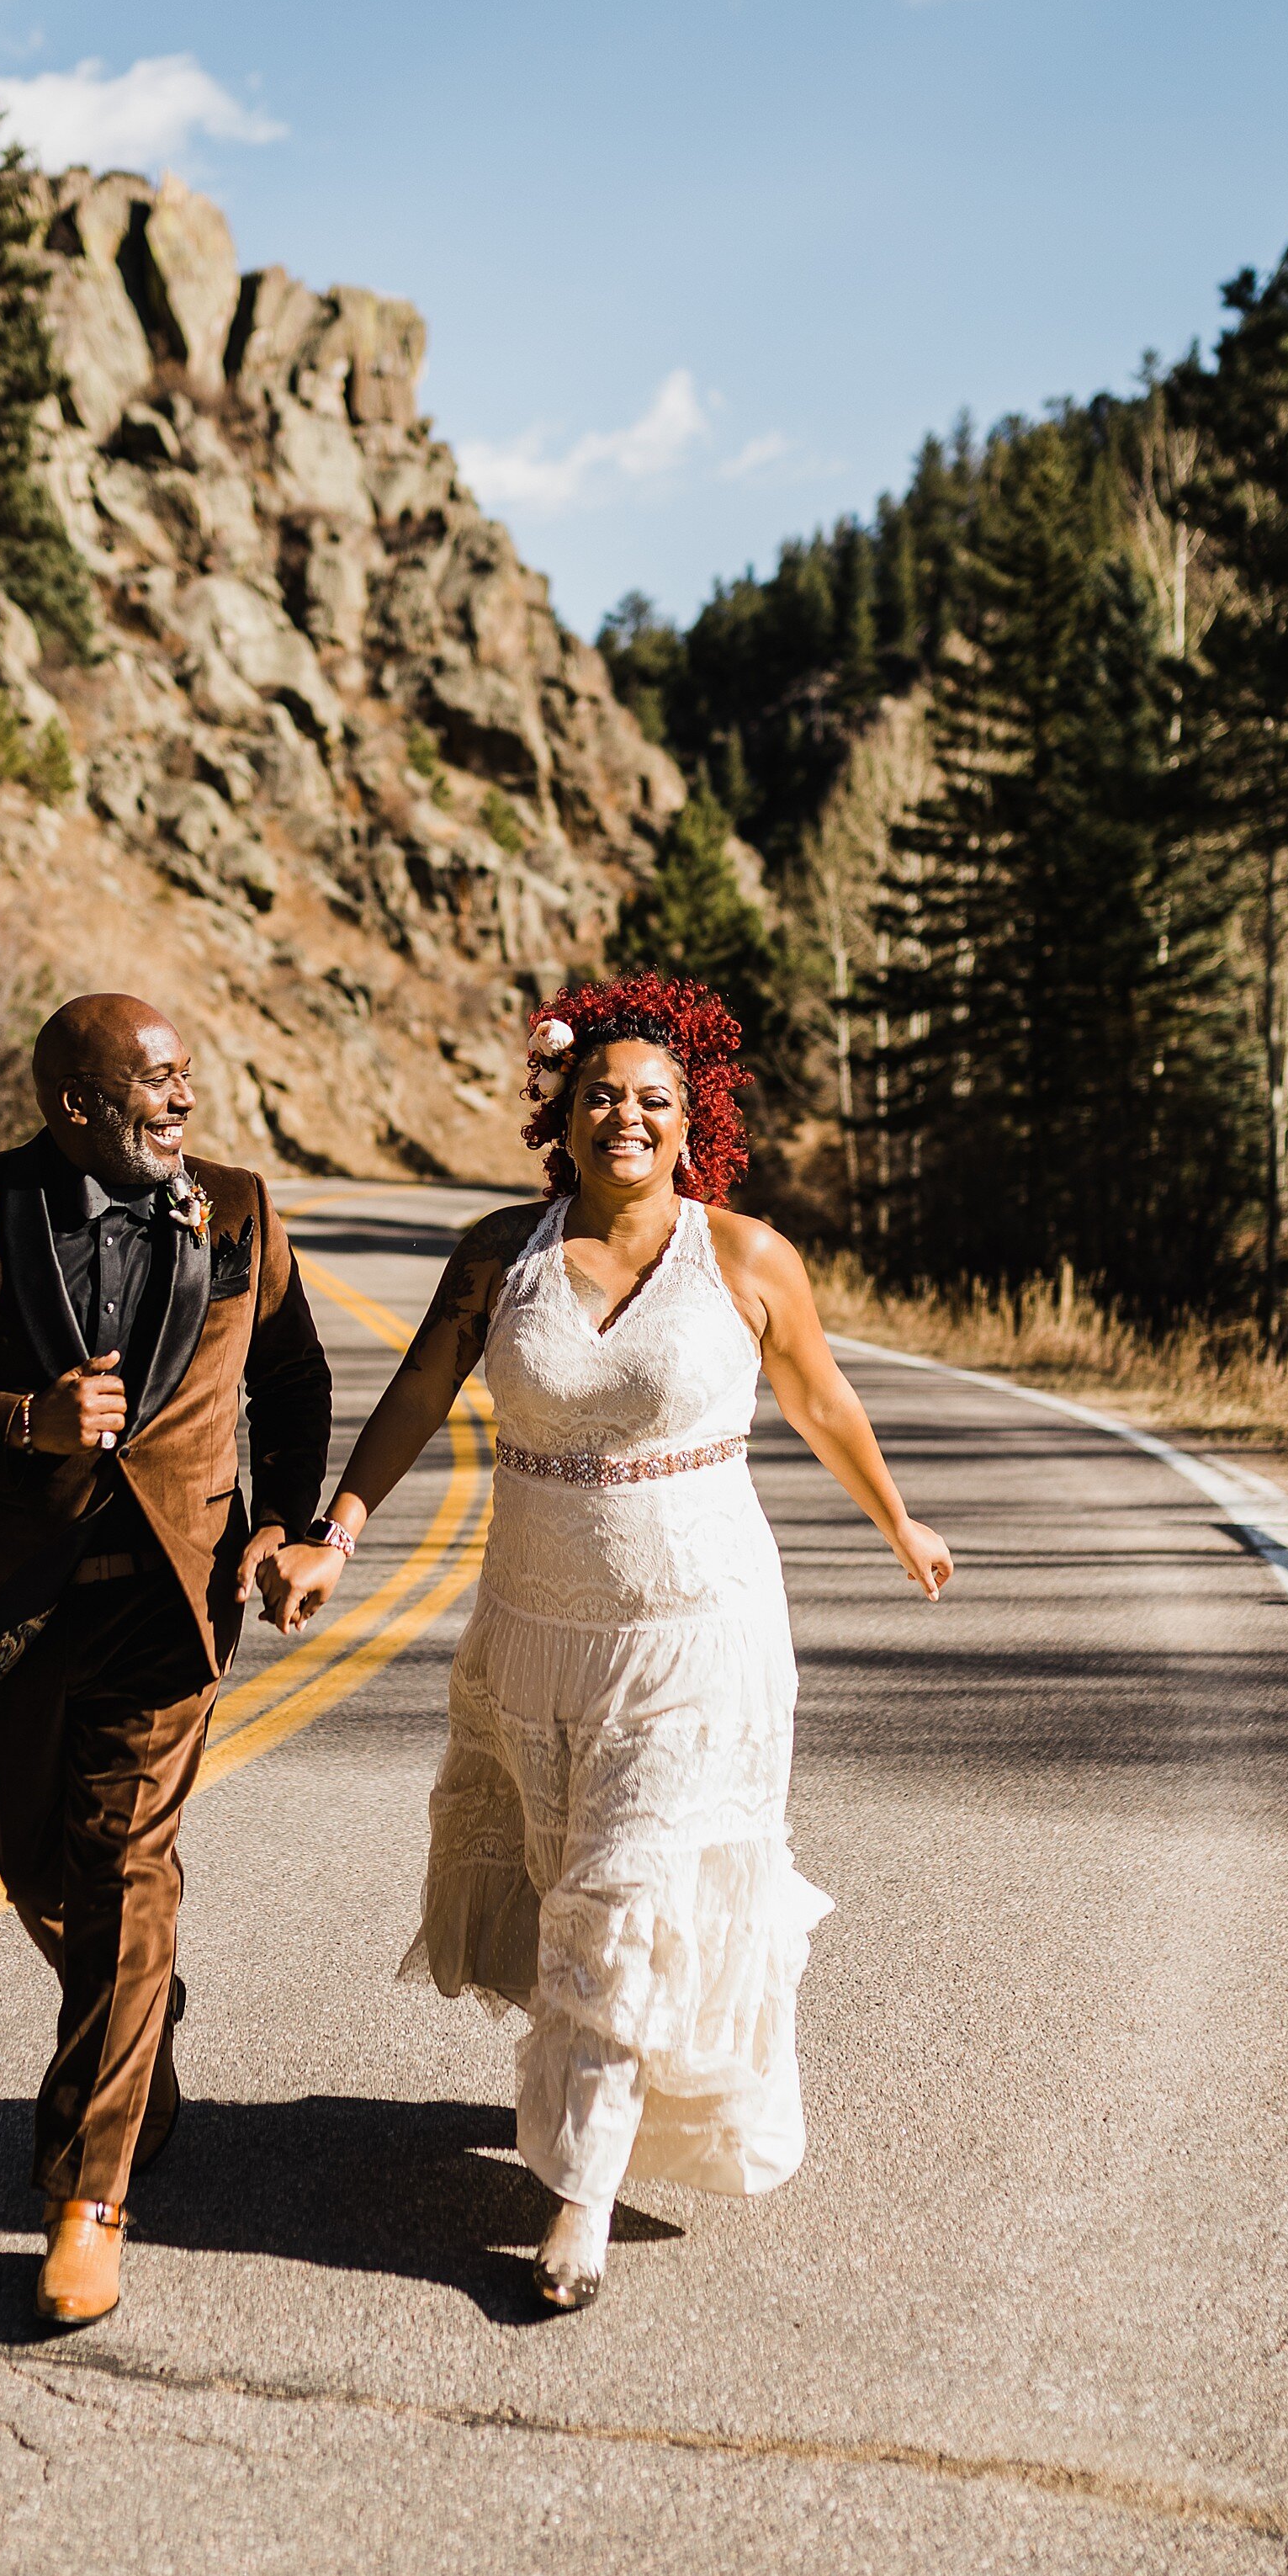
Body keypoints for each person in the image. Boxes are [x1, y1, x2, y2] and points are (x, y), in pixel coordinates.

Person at [259, 970, 951, 2313]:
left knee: (630, 1898)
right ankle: (596, 2086)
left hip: (699, 1639)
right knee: (567, 1883)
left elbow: (823, 1398)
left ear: (694, 1125)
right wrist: (336, 1528)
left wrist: (902, 1524)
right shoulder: (499, 1256)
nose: (625, 1117)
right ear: (559, 1114)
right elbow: (416, 1390)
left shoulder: (745, 1257)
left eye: (654, 1100)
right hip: (537, 1630)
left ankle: (576, 2195)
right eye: (600, 1096)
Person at [0, 993, 332, 2329]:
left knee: (123, 1864)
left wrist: (283, 1524)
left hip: (176, 1604)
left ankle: (87, 2197)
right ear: (73, 1103)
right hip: (25, 1601)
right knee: (26, 1858)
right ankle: (137, 2012)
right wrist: (19, 1419)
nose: (181, 1099)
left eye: (186, 1076)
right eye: (152, 1081)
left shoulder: (236, 1207)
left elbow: (290, 1381)